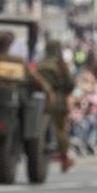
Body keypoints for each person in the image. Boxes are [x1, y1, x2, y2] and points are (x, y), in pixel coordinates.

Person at [37, 39, 77, 173]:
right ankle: (64, 157)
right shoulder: (60, 65)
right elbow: (70, 84)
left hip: (40, 100)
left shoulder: (39, 64)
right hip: (58, 101)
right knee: (60, 129)